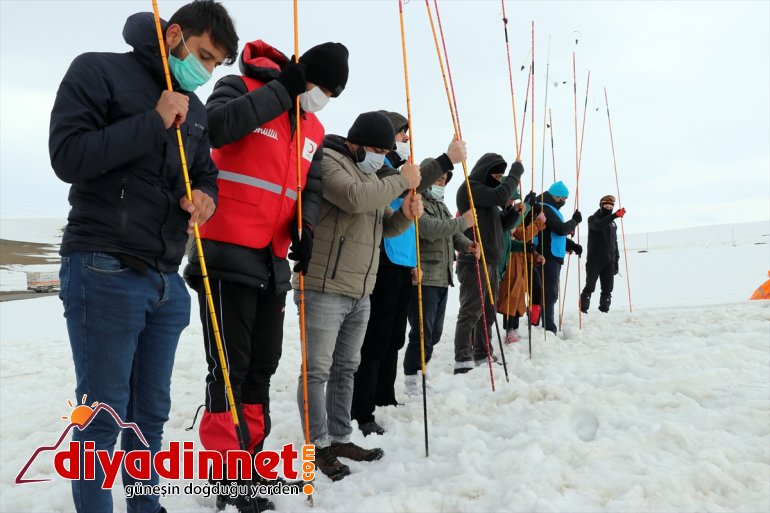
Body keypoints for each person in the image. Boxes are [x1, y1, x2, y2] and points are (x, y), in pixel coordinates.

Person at [49, 2, 238, 512]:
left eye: (216, 64)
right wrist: (153, 120)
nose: (205, 70)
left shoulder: (195, 109)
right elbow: (68, 156)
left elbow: (205, 173)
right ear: (173, 34)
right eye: (201, 54)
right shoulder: (98, 69)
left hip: (165, 278)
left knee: (150, 414)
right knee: (104, 415)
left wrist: (205, 196)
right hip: (102, 265)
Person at [183, 39, 348, 511]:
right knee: (229, 372)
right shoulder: (240, 85)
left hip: (272, 263)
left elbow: (310, 182)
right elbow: (215, 128)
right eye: (322, 88)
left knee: (261, 368)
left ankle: (250, 463)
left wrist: (307, 225)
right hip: (226, 252)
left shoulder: (313, 123)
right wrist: (284, 91)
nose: (324, 100)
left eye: (333, 95)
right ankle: (226, 476)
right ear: (305, 76)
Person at [293, 111, 422, 481]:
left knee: (346, 368)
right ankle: (315, 445)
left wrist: (408, 215)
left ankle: (338, 436)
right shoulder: (330, 162)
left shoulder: (371, 175)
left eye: (386, 150)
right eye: (375, 148)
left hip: (359, 289)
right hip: (322, 284)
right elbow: (353, 199)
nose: (380, 155)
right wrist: (400, 181)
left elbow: (385, 224)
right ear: (354, 142)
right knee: (316, 370)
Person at [351, 110, 467, 436]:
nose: (406, 141)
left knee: (394, 337)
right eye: (403, 135)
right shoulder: (382, 173)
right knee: (375, 338)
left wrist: (414, 261)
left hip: (403, 263)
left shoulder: (396, 171)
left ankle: (385, 396)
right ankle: (363, 408)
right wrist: (445, 160)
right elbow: (408, 189)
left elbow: (409, 223)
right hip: (383, 262)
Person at [403, 170, 478, 395]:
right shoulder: (418, 201)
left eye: (444, 180)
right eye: (437, 178)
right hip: (424, 277)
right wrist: (461, 222)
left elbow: (452, 235)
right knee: (422, 333)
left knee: (434, 334)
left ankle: (420, 373)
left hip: (442, 278)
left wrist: (467, 244)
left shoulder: (441, 205)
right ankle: (412, 378)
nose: (441, 183)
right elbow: (429, 229)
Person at [453, 154, 524, 374]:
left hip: (491, 261)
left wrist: (512, 214)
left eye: (501, 175)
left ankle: (483, 354)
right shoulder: (471, 188)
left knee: (488, 312)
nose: (499, 179)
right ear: (484, 171)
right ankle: (463, 359)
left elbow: (501, 224)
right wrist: (516, 172)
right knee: (471, 310)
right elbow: (501, 193)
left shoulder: (487, 199)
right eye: (496, 175)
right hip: (474, 259)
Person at [527, 181, 583, 333]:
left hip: (551, 254)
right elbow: (560, 229)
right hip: (547, 256)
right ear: (555, 196)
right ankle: (548, 328)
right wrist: (575, 221)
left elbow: (551, 234)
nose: (564, 201)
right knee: (549, 293)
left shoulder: (548, 207)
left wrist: (571, 246)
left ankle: (537, 323)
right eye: (563, 198)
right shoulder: (547, 208)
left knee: (543, 292)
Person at [497, 203, 547, 344]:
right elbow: (521, 235)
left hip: (520, 263)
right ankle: (509, 330)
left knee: (519, 297)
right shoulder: (508, 216)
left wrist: (535, 255)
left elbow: (525, 243)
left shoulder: (518, 218)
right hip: (510, 262)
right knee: (510, 296)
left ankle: (515, 328)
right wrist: (537, 224)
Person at [580, 195, 626, 313]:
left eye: (611, 206)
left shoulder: (613, 224)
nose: (609, 208)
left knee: (608, 289)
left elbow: (614, 243)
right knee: (590, 287)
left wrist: (616, 261)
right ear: (601, 206)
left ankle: (604, 311)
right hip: (594, 260)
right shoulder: (593, 219)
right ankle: (583, 310)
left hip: (609, 261)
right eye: (606, 206)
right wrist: (614, 215)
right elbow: (599, 226)